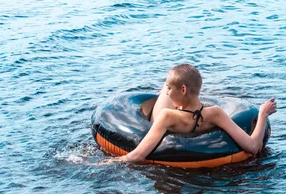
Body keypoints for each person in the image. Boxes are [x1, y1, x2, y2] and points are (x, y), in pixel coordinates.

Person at [114, 64, 277, 163]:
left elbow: (137, 156)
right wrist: (262, 114)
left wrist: (103, 163)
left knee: (167, 83)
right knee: (179, 82)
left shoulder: (166, 116)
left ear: (183, 90)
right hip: (195, 108)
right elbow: (253, 147)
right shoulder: (215, 113)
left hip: (173, 118)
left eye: (171, 90)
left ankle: (174, 85)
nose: (169, 93)